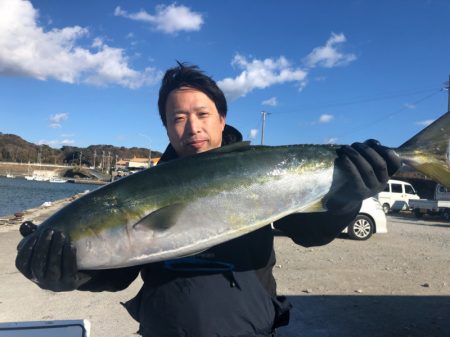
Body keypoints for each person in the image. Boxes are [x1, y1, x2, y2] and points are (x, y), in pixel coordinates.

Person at [16, 63, 401, 337]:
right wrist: (75, 273)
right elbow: (119, 272)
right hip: (164, 330)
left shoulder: (261, 167)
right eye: (178, 118)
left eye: (202, 113)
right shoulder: (142, 188)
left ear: (222, 119)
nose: (193, 127)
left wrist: (346, 197)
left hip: (249, 329)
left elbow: (309, 232)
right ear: (166, 127)